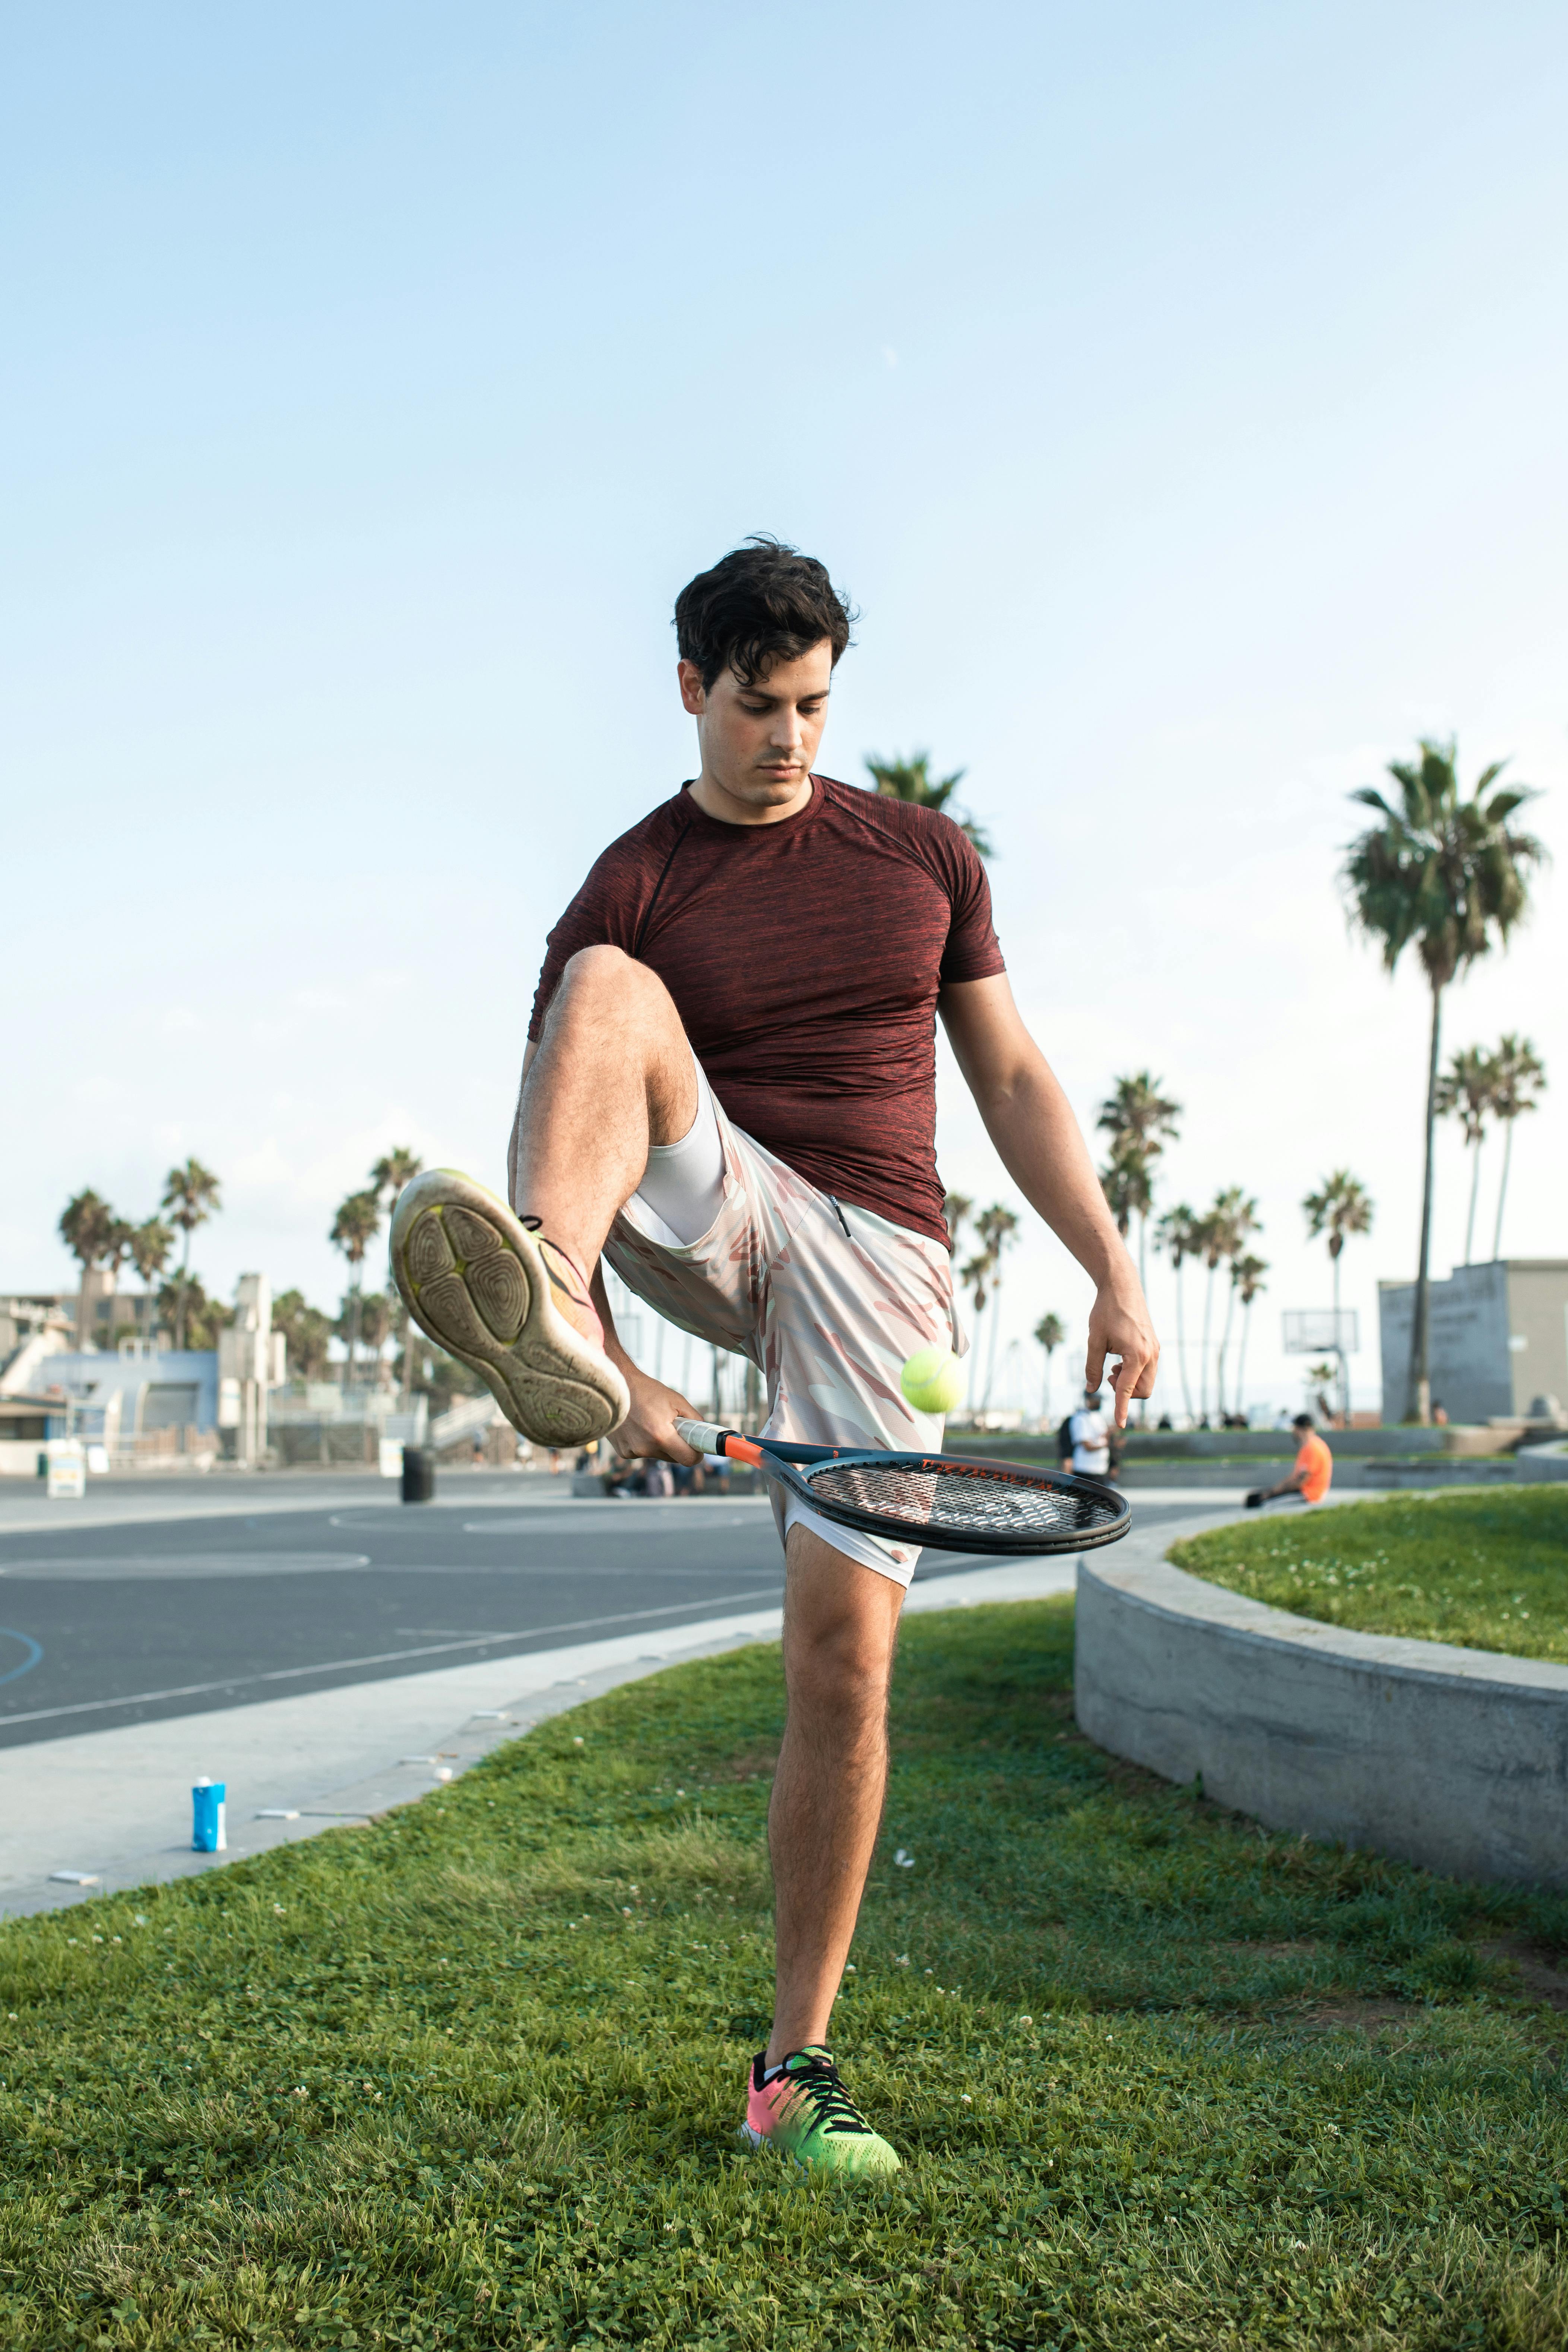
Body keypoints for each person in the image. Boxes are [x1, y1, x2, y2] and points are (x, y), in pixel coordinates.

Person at [390, 536, 1159, 2177]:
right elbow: (574, 1090)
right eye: (758, 705)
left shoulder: (920, 856)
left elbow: (1011, 1076)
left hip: (880, 1250)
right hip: (717, 1210)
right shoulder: (634, 876)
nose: (790, 737)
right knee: (603, 988)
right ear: (689, 688)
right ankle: (560, 1318)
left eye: (814, 704)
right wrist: (602, 1319)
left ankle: (786, 2069)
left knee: (841, 1657)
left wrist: (1110, 1267)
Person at [1245, 1413, 1333, 1509]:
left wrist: (1273, 1493)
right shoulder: (1311, 1446)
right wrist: (1273, 1491)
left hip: (1309, 1495)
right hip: (1304, 1492)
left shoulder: (1312, 1448)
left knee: (1263, 1505)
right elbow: (1294, 1478)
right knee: (1255, 1498)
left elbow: (1300, 1481)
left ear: (1300, 1429)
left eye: (1295, 1428)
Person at [1061, 1386, 1111, 1477]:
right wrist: (1109, 1445)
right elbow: (1087, 1446)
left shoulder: (1098, 1417)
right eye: (1096, 1400)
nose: (1099, 1403)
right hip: (1086, 1469)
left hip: (1100, 1469)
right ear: (1088, 1400)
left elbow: (1103, 1437)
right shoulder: (1081, 1418)